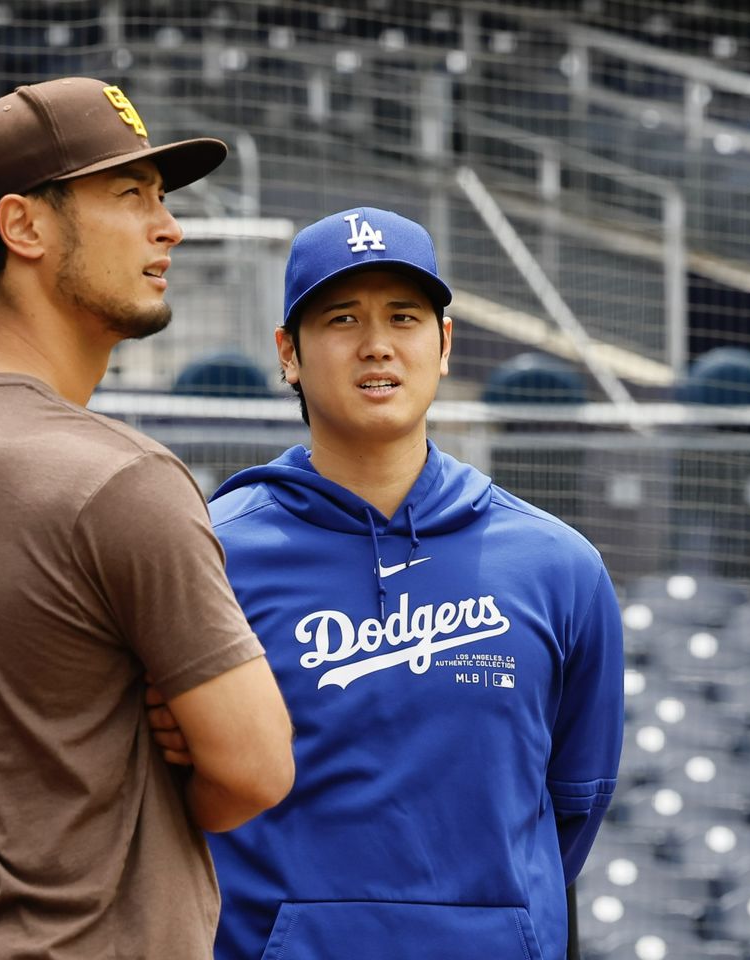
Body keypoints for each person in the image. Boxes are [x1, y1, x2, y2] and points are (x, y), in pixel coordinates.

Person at [0, 77, 294, 960]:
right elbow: (257, 767)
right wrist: (166, 762)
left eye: (161, 199)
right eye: (129, 195)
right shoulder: (119, 477)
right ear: (25, 226)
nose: (167, 226)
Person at [149, 207, 623, 960]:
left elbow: (572, 807)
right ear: (288, 353)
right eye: (341, 318)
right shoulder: (209, 553)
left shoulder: (558, 566)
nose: (376, 345)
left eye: (404, 317)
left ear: (443, 344)